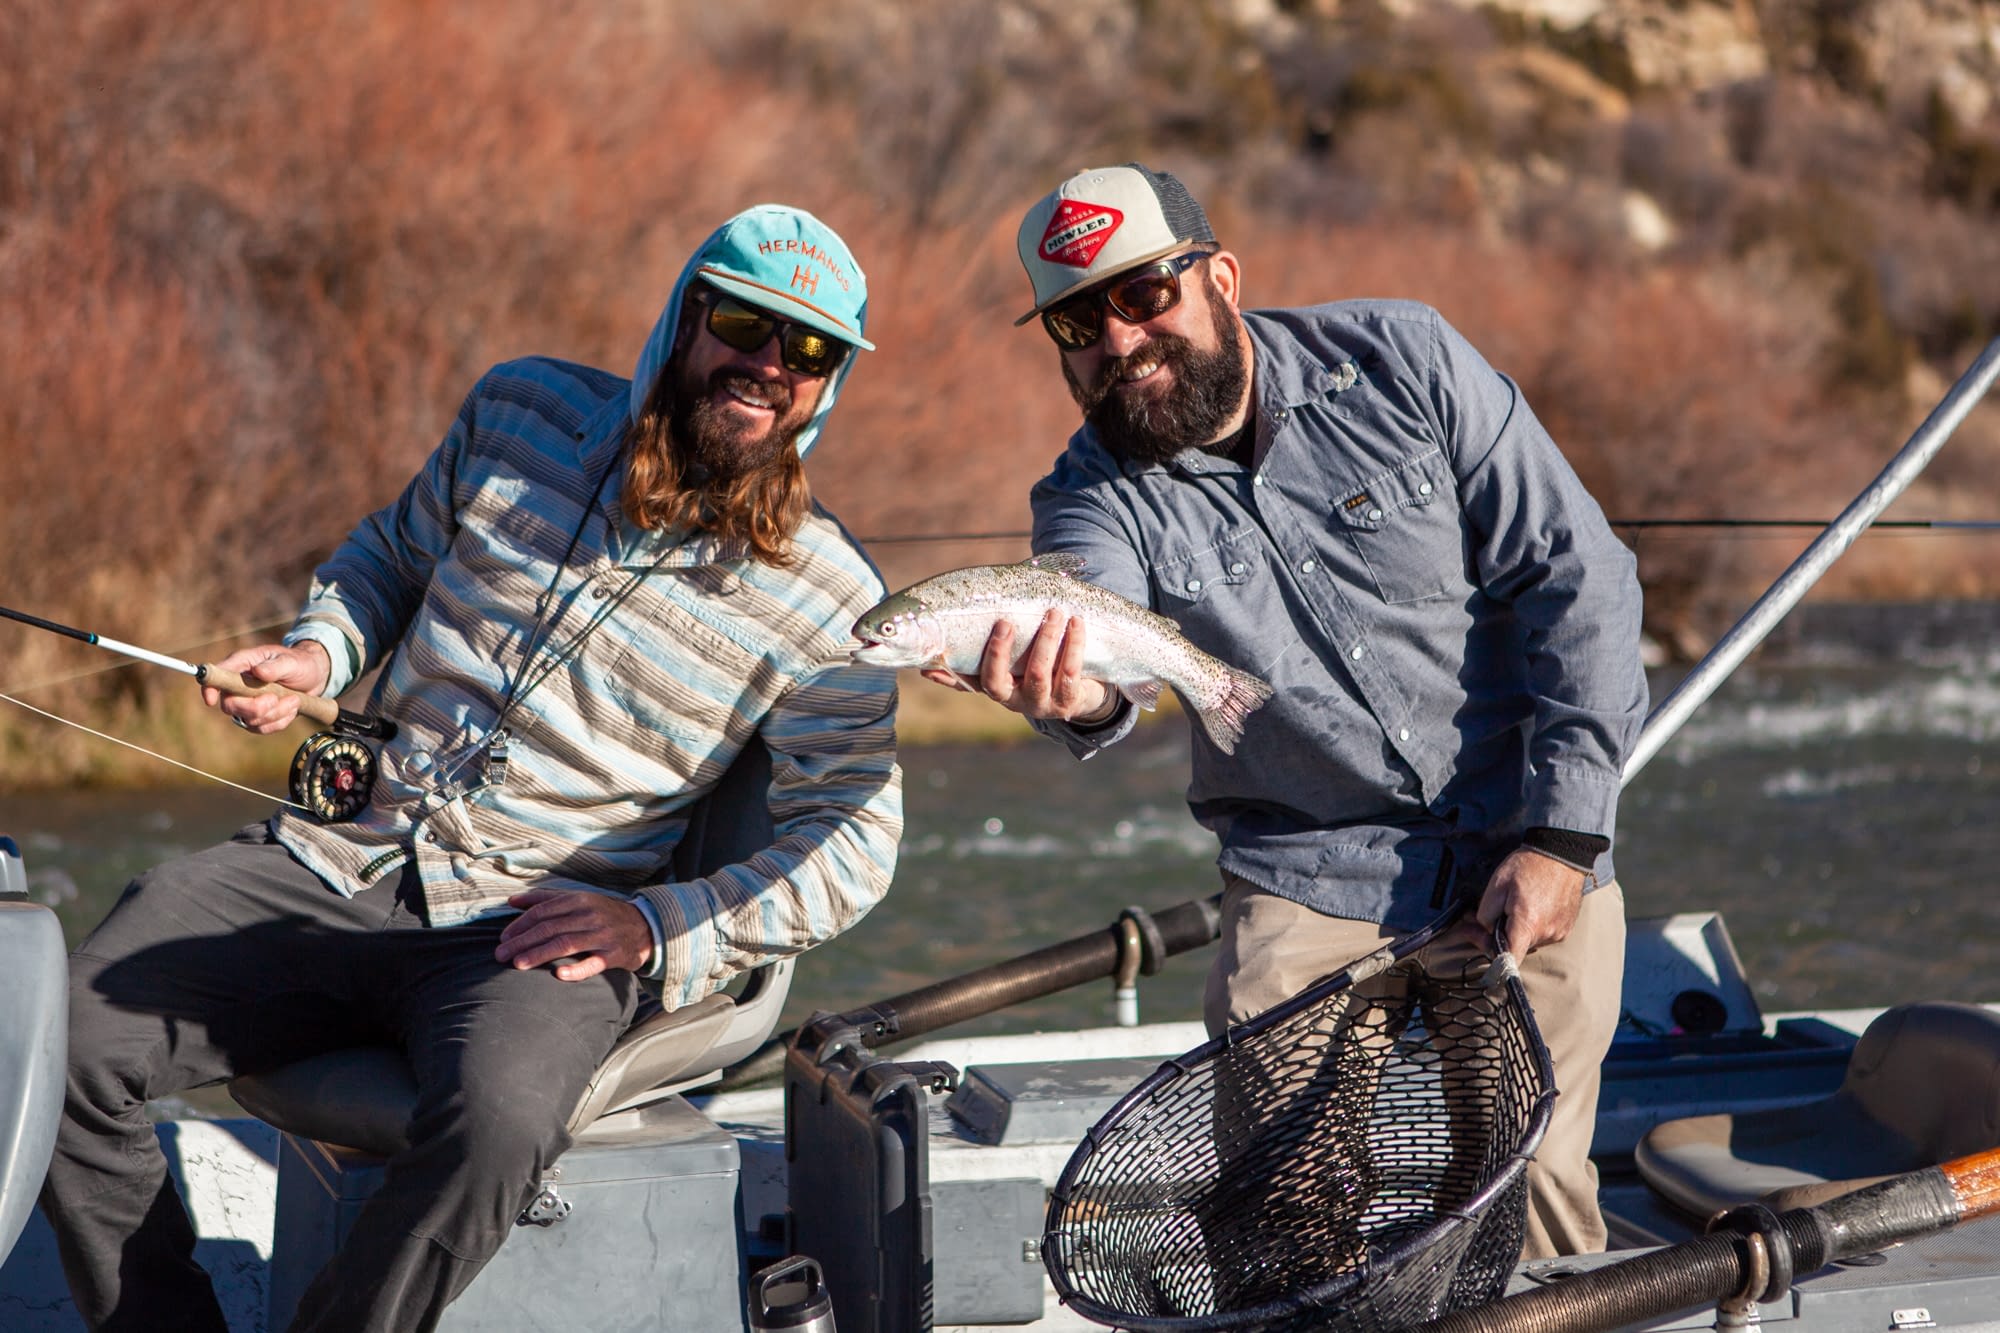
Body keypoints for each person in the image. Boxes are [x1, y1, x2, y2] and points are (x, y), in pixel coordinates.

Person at [40, 204, 903, 1331]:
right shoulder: (519, 409)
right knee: (54, 1038)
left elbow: (855, 837)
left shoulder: (834, 593)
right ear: (688, 315)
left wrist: (658, 928)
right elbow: (386, 561)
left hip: (536, 930)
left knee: (496, 1125)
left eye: (808, 351)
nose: (768, 365)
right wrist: (316, 654)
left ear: (828, 382)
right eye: (744, 322)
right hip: (335, 861)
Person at [928, 163, 1646, 1258]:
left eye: (1142, 295)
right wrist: (1071, 697)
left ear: (1218, 276)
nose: (1117, 341)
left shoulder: (1405, 360)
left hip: (1524, 821)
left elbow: (1577, 575)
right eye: (1077, 319)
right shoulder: (1085, 496)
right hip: (1303, 867)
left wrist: (1560, 834)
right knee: (1281, 1201)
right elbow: (1092, 629)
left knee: (1536, 1182)